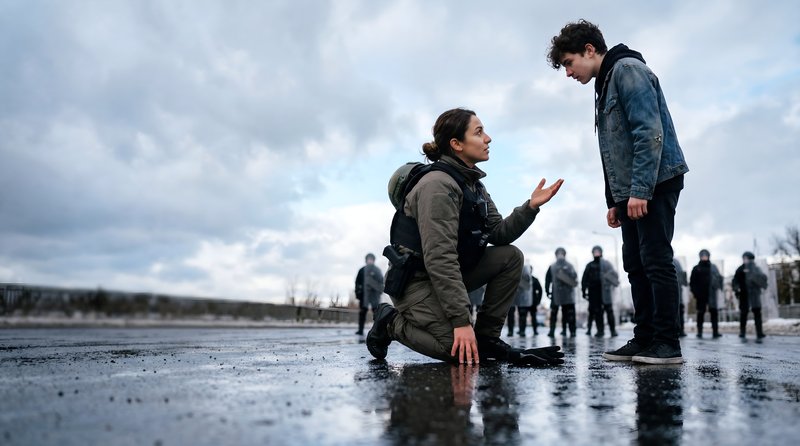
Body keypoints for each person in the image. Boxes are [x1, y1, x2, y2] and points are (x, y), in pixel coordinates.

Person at [366, 108, 565, 366]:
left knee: (510, 257)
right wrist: (461, 321)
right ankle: (390, 321)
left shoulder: (473, 185)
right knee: (460, 351)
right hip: (415, 282)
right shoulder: (437, 185)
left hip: (444, 276)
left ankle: (487, 338)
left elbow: (500, 233)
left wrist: (531, 207)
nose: (488, 139)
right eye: (479, 132)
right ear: (456, 144)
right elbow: (440, 257)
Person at [548, 20, 689, 364]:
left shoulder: (627, 70)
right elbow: (614, 148)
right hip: (633, 190)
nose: (568, 73)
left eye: (569, 62)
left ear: (590, 50)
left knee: (655, 259)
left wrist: (640, 190)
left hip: (655, 181)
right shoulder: (606, 82)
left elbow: (648, 132)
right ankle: (645, 339)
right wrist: (616, 200)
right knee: (635, 264)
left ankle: (667, 344)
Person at [581, 245, 620, 337]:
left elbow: (614, 276)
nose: (596, 253)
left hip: (605, 291)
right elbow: (584, 279)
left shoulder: (606, 264)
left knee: (609, 310)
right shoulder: (590, 265)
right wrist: (583, 291)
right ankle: (600, 331)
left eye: (598, 251)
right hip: (594, 292)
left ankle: (613, 330)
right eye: (595, 251)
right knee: (598, 312)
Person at [732, 251, 768, 339]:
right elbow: (735, 281)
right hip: (744, 295)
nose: (745, 260)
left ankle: (759, 332)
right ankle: (742, 332)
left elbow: (763, 280)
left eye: (746, 259)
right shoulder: (740, 269)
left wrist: (755, 277)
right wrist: (737, 289)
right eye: (744, 259)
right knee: (743, 314)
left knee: (757, 314)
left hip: (755, 294)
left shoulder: (756, 269)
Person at [689, 249, 723, 338]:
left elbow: (719, 279)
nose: (704, 257)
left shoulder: (713, 267)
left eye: (705, 255)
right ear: (700, 257)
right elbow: (692, 282)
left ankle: (715, 332)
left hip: (712, 294)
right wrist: (695, 293)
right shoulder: (696, 268)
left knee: (714, 313)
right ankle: (699, 332)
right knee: (700, 313)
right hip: (700, 295)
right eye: (702, 255)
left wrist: (719, 289)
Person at [545, 247, 578, 338]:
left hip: (566, 294)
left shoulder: (568, 266)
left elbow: (574, 278)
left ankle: (571, 331)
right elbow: (548, 279)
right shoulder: (553, 266)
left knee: (568, 313)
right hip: (558, 294)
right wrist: (547, 290)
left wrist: (547, 291)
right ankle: (553, 331)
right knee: (556, 313)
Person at [354, 253, 384, 335]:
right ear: (366, 260)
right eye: (368, 259)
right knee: (362, 313)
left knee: (377, 313)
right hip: (364, 296)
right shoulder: (362, 270)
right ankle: (360, 330)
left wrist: (379, 292)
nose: (370, 260)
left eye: (371, 259)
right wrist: (358, 293)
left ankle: (377, 330)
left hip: (374, 296)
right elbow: (357, 283)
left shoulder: (377, 270)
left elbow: (381, 282)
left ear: (373, 260)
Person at [507, 264, 533, 337]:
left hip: (518, 296)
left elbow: (527, 284)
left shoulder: (523, 270)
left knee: (519, 314)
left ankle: (518, 331)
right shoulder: (521, 269)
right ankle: (513, 331)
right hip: (514, 296)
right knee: (513, 314)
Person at [673, 257, 688, 337]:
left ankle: (680, 330)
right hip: (677, 292)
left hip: (677, 292)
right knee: (679, 311)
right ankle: (680, 330)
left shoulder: (675, 262)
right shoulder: (677, 262)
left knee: (678, 311)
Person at [531, 267, 544, 335]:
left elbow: (540, 290)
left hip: (532, 302)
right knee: (523, 317)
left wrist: (538, 300)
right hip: (526, 302)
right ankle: (522, 330)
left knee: (533, 317)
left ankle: (535, 330)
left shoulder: (534, 280)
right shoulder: (533, 280)